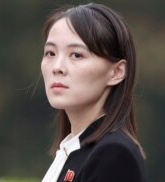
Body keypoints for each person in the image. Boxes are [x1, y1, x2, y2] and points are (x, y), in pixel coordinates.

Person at [41, 3, 147, 182]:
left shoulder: (113, 154)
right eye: (50, 53)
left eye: (76, 55)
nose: (57, 67)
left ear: (117, 72)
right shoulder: (72, 150)